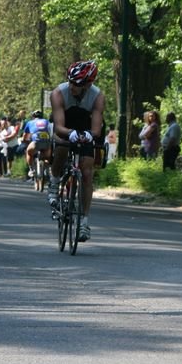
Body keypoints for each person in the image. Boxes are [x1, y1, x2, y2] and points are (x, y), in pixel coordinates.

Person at [48, 60, 105, 243]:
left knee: (87, 172)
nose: (72, 87)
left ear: (88, 85)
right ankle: (55, 181)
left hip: (86, 126)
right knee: (62, 148)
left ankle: (84, 222)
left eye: (77, 84)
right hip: (65, 124)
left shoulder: (97, 96)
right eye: (70, 82)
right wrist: (69, 134)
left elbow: (96, 130)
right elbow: (58, 127)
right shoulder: (58, 93)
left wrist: (89, 136)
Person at [23, 110, 52, 178]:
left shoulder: (30, 122)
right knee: (47, 157)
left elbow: (25, 136)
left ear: (33, 116)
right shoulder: (47, 121)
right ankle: (47, 170)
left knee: (29, 152)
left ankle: (31, 169)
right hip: (47, 142)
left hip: (35, 143)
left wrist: (24, 140)